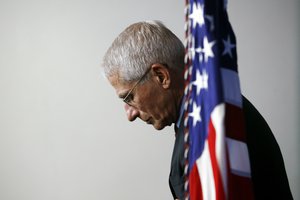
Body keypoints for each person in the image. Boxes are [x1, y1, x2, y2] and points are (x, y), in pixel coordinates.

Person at [102, 21, 293, 199]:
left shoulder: (208, 131)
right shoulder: (212, 109)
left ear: (161, 76)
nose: (130, 114)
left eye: (129, 97)